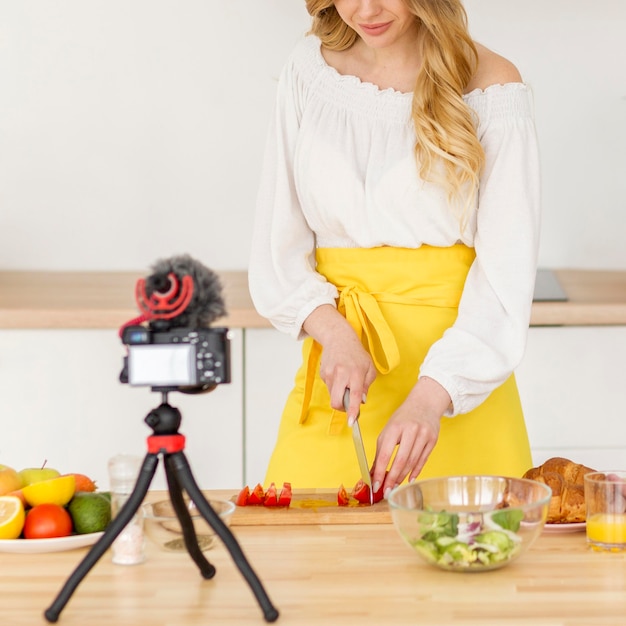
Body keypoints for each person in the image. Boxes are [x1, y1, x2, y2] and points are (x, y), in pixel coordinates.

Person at [248, 0, 541, 498]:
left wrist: (431, 398)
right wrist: (334, 335)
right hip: (343, 380)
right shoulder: (309, 71)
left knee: (468, 559)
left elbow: (504, 279)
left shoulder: (492, 86)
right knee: (302, 561)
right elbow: (279, 244)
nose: (365, 10)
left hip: (458, 391)